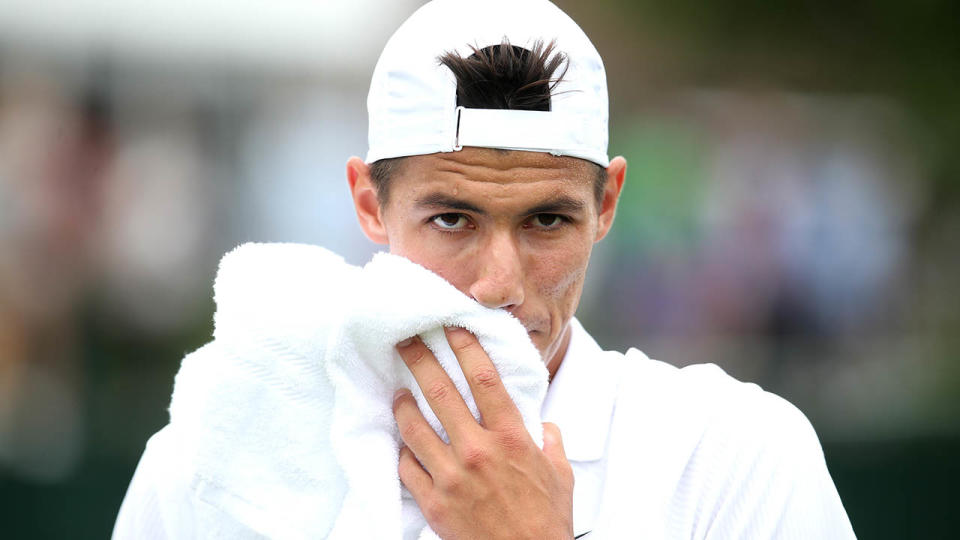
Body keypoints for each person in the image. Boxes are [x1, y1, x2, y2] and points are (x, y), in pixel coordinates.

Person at [115, 0, 856, 538]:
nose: (499, 283)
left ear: (608, 205)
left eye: (546, 221)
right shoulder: (209, 460)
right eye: (452, 220)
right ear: (369, 203)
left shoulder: (733, 456)